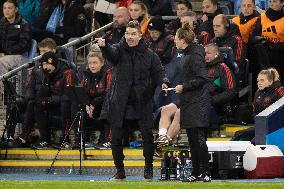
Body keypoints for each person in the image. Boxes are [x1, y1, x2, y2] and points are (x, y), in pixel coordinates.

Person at [96, 20, 169, 181]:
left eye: (133, 34)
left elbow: (158, 71)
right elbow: (111, 56)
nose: (129, 37)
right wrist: (104, 46)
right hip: (119, 100)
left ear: (140, 35)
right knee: (115, 137)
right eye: (127, 33)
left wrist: (163, 82)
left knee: (147, 136)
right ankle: (119, 171)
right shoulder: (117, 49)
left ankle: (148, 168)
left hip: (142, 101)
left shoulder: (150, 54)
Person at [174, 25, 211, 182]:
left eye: (176, 37)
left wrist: (184, 86)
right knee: (192, 139)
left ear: (182, 39)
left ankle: (206, 172)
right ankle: (196, 172)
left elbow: (202, 78)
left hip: (197, 102)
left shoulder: (195, 54)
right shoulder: (188, 53)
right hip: (189, 101)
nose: (174, 40)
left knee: (198, 138)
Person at [33, 51, 78, 148]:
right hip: (54, 103)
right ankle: (45, 139)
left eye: (47, 64)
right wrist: (46, 83)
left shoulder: (68, 73)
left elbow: (69, 95)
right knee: (37, 103)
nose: (45, 67)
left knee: (65, 102)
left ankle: (65, 139)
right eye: (43, 64)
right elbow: (42, 95)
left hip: (67, 104)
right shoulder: (47, 74)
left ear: (53, 63)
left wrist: (50, 100)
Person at [231, 68, 284, 142]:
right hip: (262, 125)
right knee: (238, 134)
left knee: (255, 141)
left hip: (277, 127)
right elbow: (255, 112)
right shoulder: (257, 93)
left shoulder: (279, 91)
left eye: (262, 80)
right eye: (258, 81)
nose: (259, 83)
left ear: (270, 81)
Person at [76, 51, 112, 149]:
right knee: (76, 104)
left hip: (104, 107)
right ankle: (81, 139)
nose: (92, 66)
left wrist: (92, 104)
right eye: (90, 63)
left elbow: (108, 93)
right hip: (93, 109)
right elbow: (81, 92)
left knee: (110, 103)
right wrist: (87, 104)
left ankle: (108, 139)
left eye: (95, 63)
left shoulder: (108, 73)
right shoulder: (86, 75)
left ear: (102, 63)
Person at [249, 0, 284, 81]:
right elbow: (252, 37)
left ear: (282, 3)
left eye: (274, 1)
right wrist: (263, 40)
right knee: (258, 48)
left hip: (280, 54)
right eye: (270, 1)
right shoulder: (262, 17)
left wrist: (273, 46)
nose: (271, 4)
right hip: (264, 51)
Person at [212, 14, 245, 86]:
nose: (215, 29)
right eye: (214, 26)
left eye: (218, 26)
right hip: (215, 75)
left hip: (231, 77)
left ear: (226, 26)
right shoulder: (213, 41)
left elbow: (237, 65)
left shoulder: (236, 40)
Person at [0, 0, 31, 76]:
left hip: (21, 56)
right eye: (4, 8)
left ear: (16, 9)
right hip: (4, 54)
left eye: (9, 8)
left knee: (1, 62)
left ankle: (3, 87)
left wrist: (6, 52)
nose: (6, 11)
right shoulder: (1, 23)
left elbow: (23, 46)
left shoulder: (24, 24)